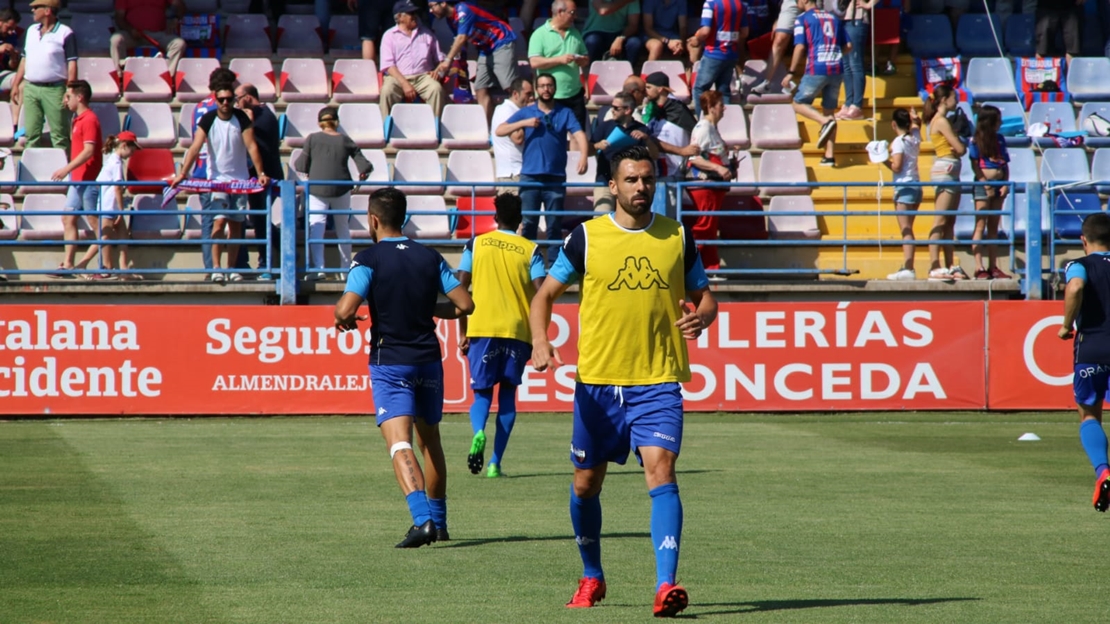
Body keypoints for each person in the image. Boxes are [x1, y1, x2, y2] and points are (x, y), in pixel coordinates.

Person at [529, 145, 717, 617]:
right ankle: (592, 576)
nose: (640, 188)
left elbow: (706, 297)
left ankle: (665, 585)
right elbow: (544, 296)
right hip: (597, 385)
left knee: (662, 471)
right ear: (612, 186)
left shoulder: (676, 236)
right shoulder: (586, 238)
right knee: (586, 483)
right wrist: (540, 341)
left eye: (647, 179)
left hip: (657, 382)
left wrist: (703, 319)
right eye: (631, 180)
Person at [333, 187, 475, 548]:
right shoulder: (429, 257)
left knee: (399, 443)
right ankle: (440, 523)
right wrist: (429, 310)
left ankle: (422, 520)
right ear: (404, 218)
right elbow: (464, 304)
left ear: (373, 219)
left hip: (391, 363)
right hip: (428, 359)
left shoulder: (368, 259)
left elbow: (345, 309)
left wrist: (344, 317)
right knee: (432, 442)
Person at [457, 193, 546, 478]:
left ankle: (479, 431)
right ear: (521, 221)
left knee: (482, 393)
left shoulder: (476, 244)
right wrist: (539, 334)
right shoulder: (530, 250)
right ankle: (495, 463)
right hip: (517, 331)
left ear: (496, 218)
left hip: (482, 327)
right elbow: (542, 292)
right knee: (508, 395)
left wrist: (463, 331)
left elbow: (461, 287)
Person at [172, 82, 270, 283]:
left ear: (234, 99)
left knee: (236, 225)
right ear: (215, 100)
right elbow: (195, 147)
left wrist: (260, 172)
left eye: (229, 99)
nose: (225, 103)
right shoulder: (208, 119)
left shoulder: (241, 118)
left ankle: (232, 268)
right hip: (217, 181)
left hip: (239, 181)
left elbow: (251, 146)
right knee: (218, 221)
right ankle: (216, 267)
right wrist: (183, 173)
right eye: (221, 99)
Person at [496, 73, 588, 264]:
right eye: (542, 86)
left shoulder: (565, 112)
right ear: (537, 90)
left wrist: (584, 156)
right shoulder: (527, 112)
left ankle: (554, 265)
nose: (546, 89)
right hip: (530, 177)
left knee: (554, 224)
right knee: (529, 223)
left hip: (555, 178)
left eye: (549, 85)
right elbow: (500, 130)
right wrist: (524, 123)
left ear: (554, 88)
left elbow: (579, 134)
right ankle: (527, 262)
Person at [1060, 213, 1110, 514]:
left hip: (1091, 348)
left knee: (1089, 414)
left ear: (1083, 239)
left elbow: (1076, 287)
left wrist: (1066, 325)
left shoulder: (1078, 264)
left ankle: (1103, 472)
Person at [293, 106, 374, 281]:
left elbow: (300, 165)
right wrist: (362, 174)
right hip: (342, 188)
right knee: (343, 228)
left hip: (317, 189)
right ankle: (345, 270)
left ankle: (318, 269)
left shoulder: (312, 139)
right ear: (336, 122)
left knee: (317, 227)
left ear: (319, 123)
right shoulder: (345, 140)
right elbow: (365, 165)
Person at [784, 0, 849, 167]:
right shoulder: (833, 18)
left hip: (817, 68)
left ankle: (823, 122)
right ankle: (829, 156)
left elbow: (799, 47)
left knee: (798, 103)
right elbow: (848, 45)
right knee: (830, 110)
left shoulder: (803, 19)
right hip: (836, 68)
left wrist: (791, 72)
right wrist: (834, 53)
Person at [432, 0, 518, 121]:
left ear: (444, 3)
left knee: (510, 86)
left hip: (500, 41)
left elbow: (462, 37)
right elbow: (460, 43)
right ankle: (486, 128)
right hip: (485, 48)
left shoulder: (463, 10)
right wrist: (454, 65)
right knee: (480, 87)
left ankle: (525, 116)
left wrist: (447, 60)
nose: (430, 11)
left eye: (432, 6)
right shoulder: (450, 20)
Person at [71, 132, 141, 280]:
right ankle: (85, 265)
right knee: (104, 237)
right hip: (109, 205)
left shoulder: (113, 160)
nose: (133, 154)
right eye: (132, 150)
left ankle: (124, 270)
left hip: (110, 204)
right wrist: (121, 211)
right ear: (123, 146)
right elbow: (116, 188)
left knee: (123, 235)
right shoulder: (115, 162)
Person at [52, 80, 103, 276]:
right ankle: (68, 264)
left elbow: (89, 151)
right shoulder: (78, 118)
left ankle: (103, 264)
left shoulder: (89, 119)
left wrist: (66, 169)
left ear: (79, 97)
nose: (65, 100)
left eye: (68, 96)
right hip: (78, 179)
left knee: (96, 224)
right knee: (67, 218)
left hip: (88, 180)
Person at [11, 0, 76, 150]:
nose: (32, 10)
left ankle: (63, 169)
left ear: (47, 10)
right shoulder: (31, 30)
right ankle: (31, 170)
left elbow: (72, 64)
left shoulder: (65, 33)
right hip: (31, 88)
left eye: (36, 7)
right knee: (31, 135)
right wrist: (16, 84)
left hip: (54, 89)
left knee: (59, 136)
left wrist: (70, 89)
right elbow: (24, 60)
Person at [234, 83, 283, 279]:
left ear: (247, 97)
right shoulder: (260, 114)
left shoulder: (265, 116)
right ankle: (278, 253)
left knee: (260, 220)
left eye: (238, 98)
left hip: (266, 177)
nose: (236, 103)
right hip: (255, 178)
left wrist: (248, 122)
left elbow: (255, 143)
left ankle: (267, 263)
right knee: (258, 219)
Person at [192, 67, 238, 279]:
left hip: (200, 170)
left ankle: (211, 269)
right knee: (231, 220)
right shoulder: (226, 108)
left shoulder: (198, 108)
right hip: (218, 172)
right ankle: (225, 268)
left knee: (210, 222)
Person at [684, 90, 734, 276]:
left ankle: (711, 268)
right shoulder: (703, 127)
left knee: (710, 228)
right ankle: (687, 265)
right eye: (721, 105)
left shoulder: (712, 128)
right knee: (704, 226)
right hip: (704, 186)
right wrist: (718, 168)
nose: (724, 108)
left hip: (714, 187)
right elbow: (694, 158)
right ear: (711, 108)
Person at [923, 84, 968, 282]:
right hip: (946, 170)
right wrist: (958, 139)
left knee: (949, 221)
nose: (956, 101)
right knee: (940, 220)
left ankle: (950, 264)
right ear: (944, 100)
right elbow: (959, 148)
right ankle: (934, 266)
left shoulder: (941, 120)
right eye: (953, 97)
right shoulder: (941, 121)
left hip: (951, 171)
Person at [528, 0, 591, 136]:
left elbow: (585, 58)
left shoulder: (575, 33)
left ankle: (577, 157)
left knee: (578, 134)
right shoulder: (539, 34)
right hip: (550, 95)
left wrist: (583, 61)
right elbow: (534, 62)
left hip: (575, 94)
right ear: (560, 12)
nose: (575, 17)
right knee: (552, 134)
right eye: (572, 13)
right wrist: (559, 59)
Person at [379, 1, 450, 119]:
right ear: (400, 17)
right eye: (410, 13)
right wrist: (405, 83)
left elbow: (441, 61)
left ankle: (434, 126)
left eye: (415, 12)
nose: (415, 16)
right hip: (397, 77)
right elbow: (389, 66)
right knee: (387, 91)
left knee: (436, 89)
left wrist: (439, 72)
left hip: (423, 77)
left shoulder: (427, 34)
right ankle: (386, 127)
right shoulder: (389, 36)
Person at [642, 71, 699, 214]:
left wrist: (686, 153)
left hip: (673, 172)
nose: (646, 91)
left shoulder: (678, 109)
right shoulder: (653, 110)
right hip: (656, 172)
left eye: (649, 87)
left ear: (660, 89)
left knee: (667, 220)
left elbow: (696, 132)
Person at [593, 90, 656, 212]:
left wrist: (647, 139)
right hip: (605, 182)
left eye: (616, 108)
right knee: (602, 220)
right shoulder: (605, 126)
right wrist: (597, 146)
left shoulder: (642, 129)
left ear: (628, 110)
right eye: (612, 106)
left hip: (632, 184)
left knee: (634, 220)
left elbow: (655, 155)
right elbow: (588, 150)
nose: (612, 110)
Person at [968, 104, 1012, 281]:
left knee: (994, 226)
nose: (1000, 123)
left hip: (999, 184)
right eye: (998, 120)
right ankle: (979, 267)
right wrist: (985, 184)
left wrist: (1005, 183)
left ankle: (993, 266)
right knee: (980, 225)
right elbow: (975, 165)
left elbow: (1005, 163)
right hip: (982, 185)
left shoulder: (1000, 139)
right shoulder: (975, 141)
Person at [688, 0, 747, 117]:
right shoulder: (740, 4)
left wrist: (696, 39)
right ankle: (725, 126)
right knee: (723, 91)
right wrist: (728, 41)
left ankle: (703, 123)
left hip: (713, 54)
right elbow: (745, 32)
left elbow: (705, 31)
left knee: (699, 89)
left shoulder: (710, 4)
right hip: (731, 55)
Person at [885, 107, 922, 281]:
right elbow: (917, 125)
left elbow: (897, 166)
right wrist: (916, 118)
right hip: (916, 186)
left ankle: (909, 268)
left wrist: (883, 159)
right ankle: (907, 266)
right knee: (908, 229)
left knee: (906, 230)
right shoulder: (914, 136)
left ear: (893, 124)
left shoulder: (899, 141)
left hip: (904, 187)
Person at [110, 0, 187, 78]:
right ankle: (120, 75)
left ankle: (167, 77)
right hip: (133, 34)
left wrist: (175, 19)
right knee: (116, 40)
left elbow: (180, 5)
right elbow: (119, 18)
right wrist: (131, 30)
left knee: (179, 43)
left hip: (158, 34)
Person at [490, 77, 534, 194]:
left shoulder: (512, 110)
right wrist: (528, 117)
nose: (531, 98)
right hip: (512, 175)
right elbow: (517, 138)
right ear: (515, 94)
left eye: (532, 94)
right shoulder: (506, 110)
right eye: (528, 94)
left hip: (518, 174)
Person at [837, 0, 875, 121]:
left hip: (856, 18)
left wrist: (869, 4)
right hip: (841, 18)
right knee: (846, 64)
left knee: (855, 63)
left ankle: (857, 105)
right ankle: (848, 103)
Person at [751, 0, 800, 95]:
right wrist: (778, 18)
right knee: (780, 38)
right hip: (791, 3)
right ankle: (766, 82)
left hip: (814, 3)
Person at [0, 9, 21, 103]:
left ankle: (14, 116)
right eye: (8, 28)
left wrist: (13, 58)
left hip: (1, 73)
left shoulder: (11, 36)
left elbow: (11, 66)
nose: (10, 32)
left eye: (13, 29)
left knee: (20, 80)